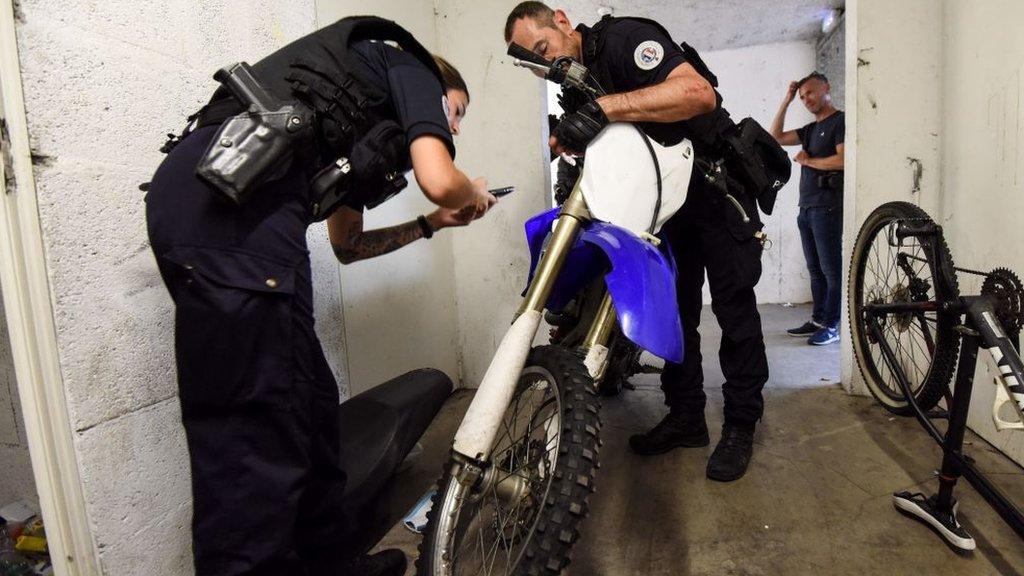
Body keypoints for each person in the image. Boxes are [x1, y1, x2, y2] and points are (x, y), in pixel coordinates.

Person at [145, 16, 495, 576]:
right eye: (457, 112)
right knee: (254, 434)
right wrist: (467, 191)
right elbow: (439, 174)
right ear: (441, 87)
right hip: (228, 215)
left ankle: (334, 563)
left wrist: (434, 225)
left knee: (307, 402)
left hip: (242, 219)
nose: (454, 125)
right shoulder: (412, 66)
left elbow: (348, 246)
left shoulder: (351, 126)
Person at [505, 2, 769, 482]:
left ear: (562, 21)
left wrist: (603, 108)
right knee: (676, 312)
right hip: (665, 205)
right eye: (538, 65)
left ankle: (740, 426)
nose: (551, 67)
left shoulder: (624, 39)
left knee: (734, 309)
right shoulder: (575, 84)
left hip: (715, 188)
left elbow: (697, 94)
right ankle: (687, 418)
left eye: (545, 49)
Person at [770, 72, 845, 346]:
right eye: (802, 96)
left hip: (827, 207)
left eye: (810, 93)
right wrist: (787, 100)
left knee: (831, 271)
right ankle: (818, 319)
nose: (806, 100)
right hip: (807, 208)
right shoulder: (811, 130)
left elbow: (844, 160)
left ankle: (833, 325)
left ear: (826, 89)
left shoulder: (840, 121)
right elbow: (775, 136)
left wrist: (809, 161)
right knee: (815, 270)